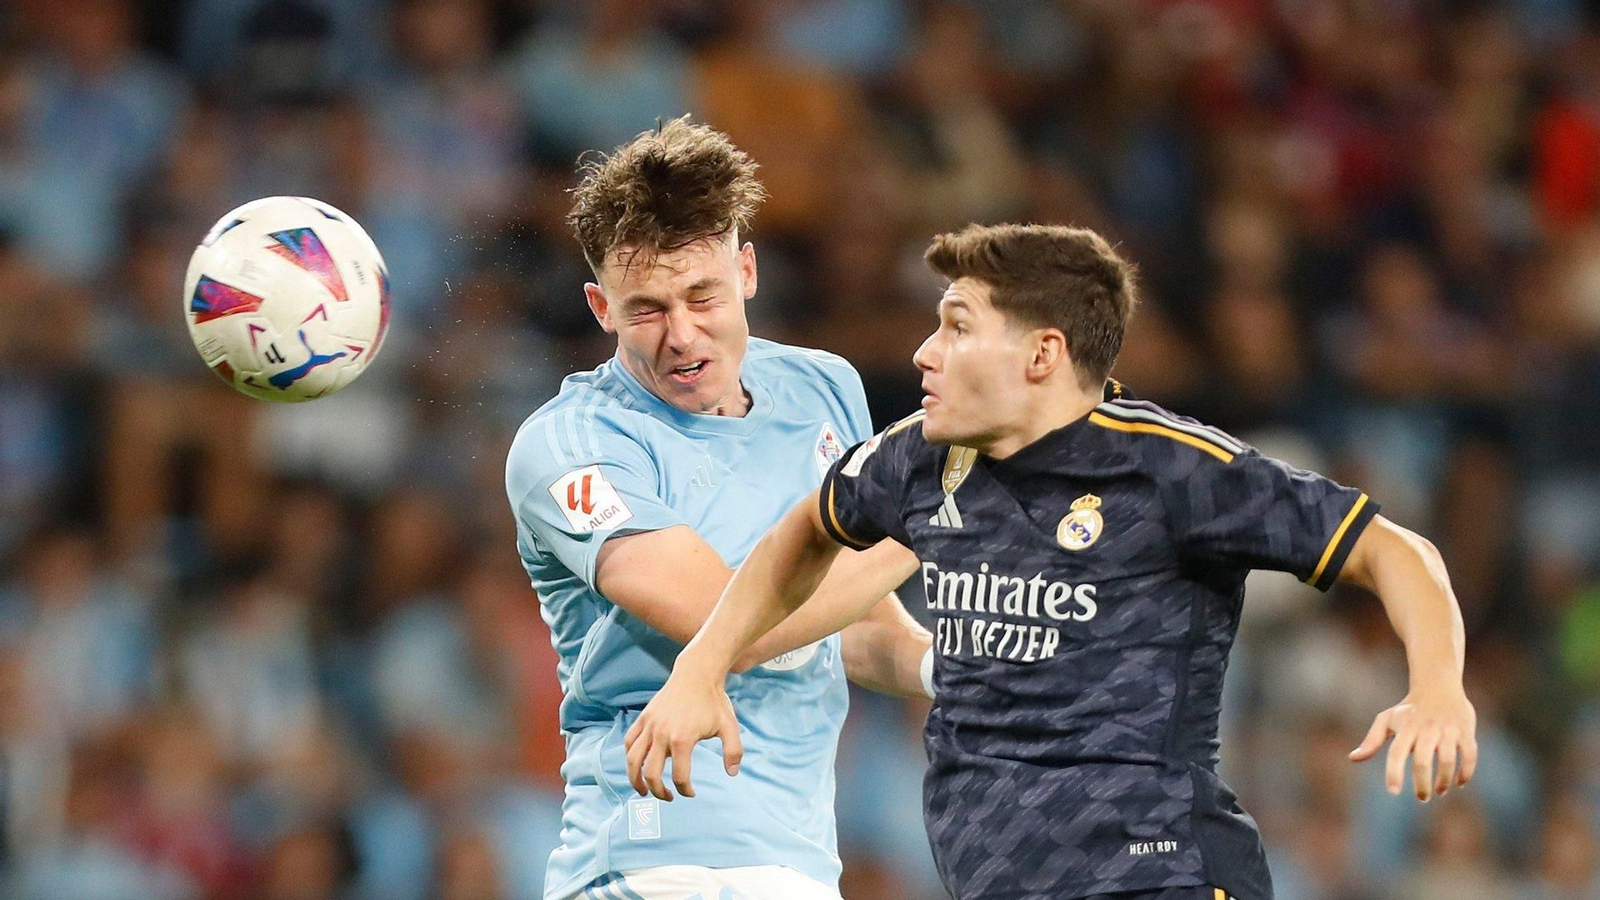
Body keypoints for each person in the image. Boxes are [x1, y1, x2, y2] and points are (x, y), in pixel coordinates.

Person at [625, 223, 1478, 900]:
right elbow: (804, 533)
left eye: (956, 326)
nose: (923, 353)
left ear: (1041, 355)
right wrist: (702, 667)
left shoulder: (1172, 470)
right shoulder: (920, 458)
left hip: (1159, 872)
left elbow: (1393, 549)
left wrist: (1437, 685)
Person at [504, 118, 933, 900]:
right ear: (600, 306)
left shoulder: (825, 387)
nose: (681, 334)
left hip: (795, 863)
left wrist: (959, 670)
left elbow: (853, 620)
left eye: (702, 294)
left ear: (747, 271)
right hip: (652, 856)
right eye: (646, 309)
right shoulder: (572, 445)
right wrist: (923, 521)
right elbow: (731, 624)